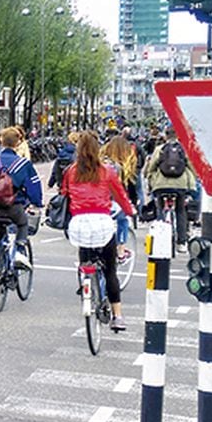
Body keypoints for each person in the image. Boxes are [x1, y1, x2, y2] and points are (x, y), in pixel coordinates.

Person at [61, 131, 135, 331]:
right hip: (102, 223)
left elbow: (64, 193)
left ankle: (85, 284)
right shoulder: (107, 171)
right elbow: (120, 196)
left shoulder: (71, 171)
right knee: (110, 271)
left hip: (79, 224)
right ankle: (117, 316)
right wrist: (130, 211)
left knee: (85, 259)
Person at [0, 126, 43, 266]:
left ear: (1, 142)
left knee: (0, 236)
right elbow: (34, 186)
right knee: (22, 224)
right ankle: (20, 252)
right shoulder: (23, 164)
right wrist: (36, 203)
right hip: (14, 207)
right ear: (17, 143)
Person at [146, 127, 197, 253]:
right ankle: (182, 242)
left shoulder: (160, 149)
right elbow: (191, 166)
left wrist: (150, 179)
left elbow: (151, 167)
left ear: (166, 136)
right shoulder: (184, 149)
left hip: (161, 185)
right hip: (180, 185)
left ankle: (159, 234)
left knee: (160, 208)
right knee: (180, 211)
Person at [102, 135, 138, 260]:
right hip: (112, 202)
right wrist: (133, 204)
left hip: (96, 201)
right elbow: (124, 189)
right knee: (123, 219)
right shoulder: (120, 167)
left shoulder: (100, 162)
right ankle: (120, 249)